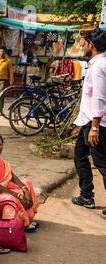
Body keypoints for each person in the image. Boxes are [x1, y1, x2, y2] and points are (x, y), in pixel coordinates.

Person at [71, 28, 106, 216]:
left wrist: (94, 127)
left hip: (95, 123)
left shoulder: (100, 66)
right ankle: (86, 195)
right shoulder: (98, 64)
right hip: (88, 121)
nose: (82, 45)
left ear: (91, 45)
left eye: (84, 43)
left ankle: (87, 195)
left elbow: (100, 98)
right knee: (80, 155)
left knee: (101, 163)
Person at [0, 133, 39, 231]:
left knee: (27, 182)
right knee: (9, 198)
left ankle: (25, 219)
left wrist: (25, 190)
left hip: (0, 189)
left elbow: (12, 176)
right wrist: (18, 196)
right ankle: (12, 226)